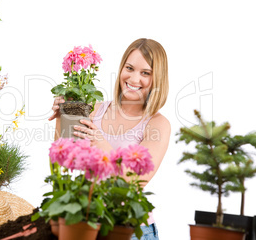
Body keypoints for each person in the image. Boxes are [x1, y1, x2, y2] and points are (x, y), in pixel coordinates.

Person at [48, 38, 170, 240]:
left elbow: (135, 182)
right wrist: (61, 119)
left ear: (157, 79)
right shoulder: (94, 109)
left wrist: (99, 142)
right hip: (85, 222)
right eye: (129, 68)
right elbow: (61, 167)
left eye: (145, 73)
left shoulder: (157, 124)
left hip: (130, 230)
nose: (133, 78)